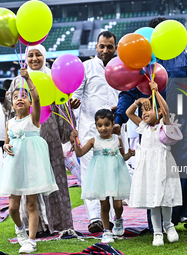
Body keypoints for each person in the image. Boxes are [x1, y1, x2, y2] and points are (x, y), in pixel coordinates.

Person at [114, 17, 187, 233]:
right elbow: (128, 92)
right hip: (153, 127)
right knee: (157, 170)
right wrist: (119, 119)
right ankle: (160, 222)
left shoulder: (181, 56)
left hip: (183, 120)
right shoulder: (141, 59)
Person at [0, 44, 79, 235]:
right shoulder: (18, 80)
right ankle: (36, 227)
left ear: (45, 57)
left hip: (50, 134)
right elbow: (12, 110)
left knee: (55, 178)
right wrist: (2, 100)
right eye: (30, 55)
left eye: (38, 55)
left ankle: (60, 223)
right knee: (28, 181)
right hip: (25, 138)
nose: (34, 59)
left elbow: (61, 105)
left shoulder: (53, 77)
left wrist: (69, 130)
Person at [0, 68, 58, 253]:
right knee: (13, 208)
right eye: (15, 97)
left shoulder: (33, 119)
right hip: (15, 168)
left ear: (29, 102)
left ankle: (31, 240)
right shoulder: (10, 123)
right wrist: (6, 146)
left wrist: (28, 79)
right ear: (12, 104)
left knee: (31, 204)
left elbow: (38, 98)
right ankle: (20, 228)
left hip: (31, 167)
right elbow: (7, 144)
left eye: (23, 96)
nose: (19, 98)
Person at [72, 31, 120, 233]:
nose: (106, 50)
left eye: (110, 46)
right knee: (90, 174)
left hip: (115, 129)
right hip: (89, 130)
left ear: (116, 48)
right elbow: (76, 92)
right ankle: (94, 218)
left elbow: (125, 93)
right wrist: (74, 101)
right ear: (96, 47)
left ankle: (111, 219)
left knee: (112, 174)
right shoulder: (86, 67)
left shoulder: (122, 67)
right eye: (102, 46)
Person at [126, 81, 182, 246]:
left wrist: (155, 92)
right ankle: (157, 232)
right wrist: (139, 101)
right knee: (153, 201)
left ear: (158, 111)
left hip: (163, 166)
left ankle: (169, 225)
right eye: (143, 111)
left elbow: (166, 110)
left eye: (148, 110)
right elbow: (129, 113)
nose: (144, 113)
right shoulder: (143, 126)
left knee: (165, 198)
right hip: (148, 169)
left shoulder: (163, 125)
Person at [70, 109, 134, 243]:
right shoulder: (94, 141)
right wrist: (75, 141)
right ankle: (106, 231)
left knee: (118, 205)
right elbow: (80, 153)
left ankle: (118, 220)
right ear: (95, 125)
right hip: (101, 177)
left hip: (116, 175)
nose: (103, 128)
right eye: (100, 125)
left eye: (106, 124)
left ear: (112, 124)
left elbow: (123, 157)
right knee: (104, 205)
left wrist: (130, 154)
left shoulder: (118, 139)